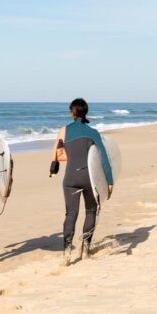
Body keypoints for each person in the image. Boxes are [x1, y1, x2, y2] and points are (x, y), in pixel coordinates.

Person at [50, 98, 113, 265]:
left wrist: (56, 165)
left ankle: (67, 252)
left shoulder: (64, 130)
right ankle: (85, 249)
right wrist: (110, 181)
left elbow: (57, 155)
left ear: (72, 112)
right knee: (91, 211)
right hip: (89, 178)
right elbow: (103, 158)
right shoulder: (93, 132)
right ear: (85, 112)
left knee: (71, 214)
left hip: (70, 178)